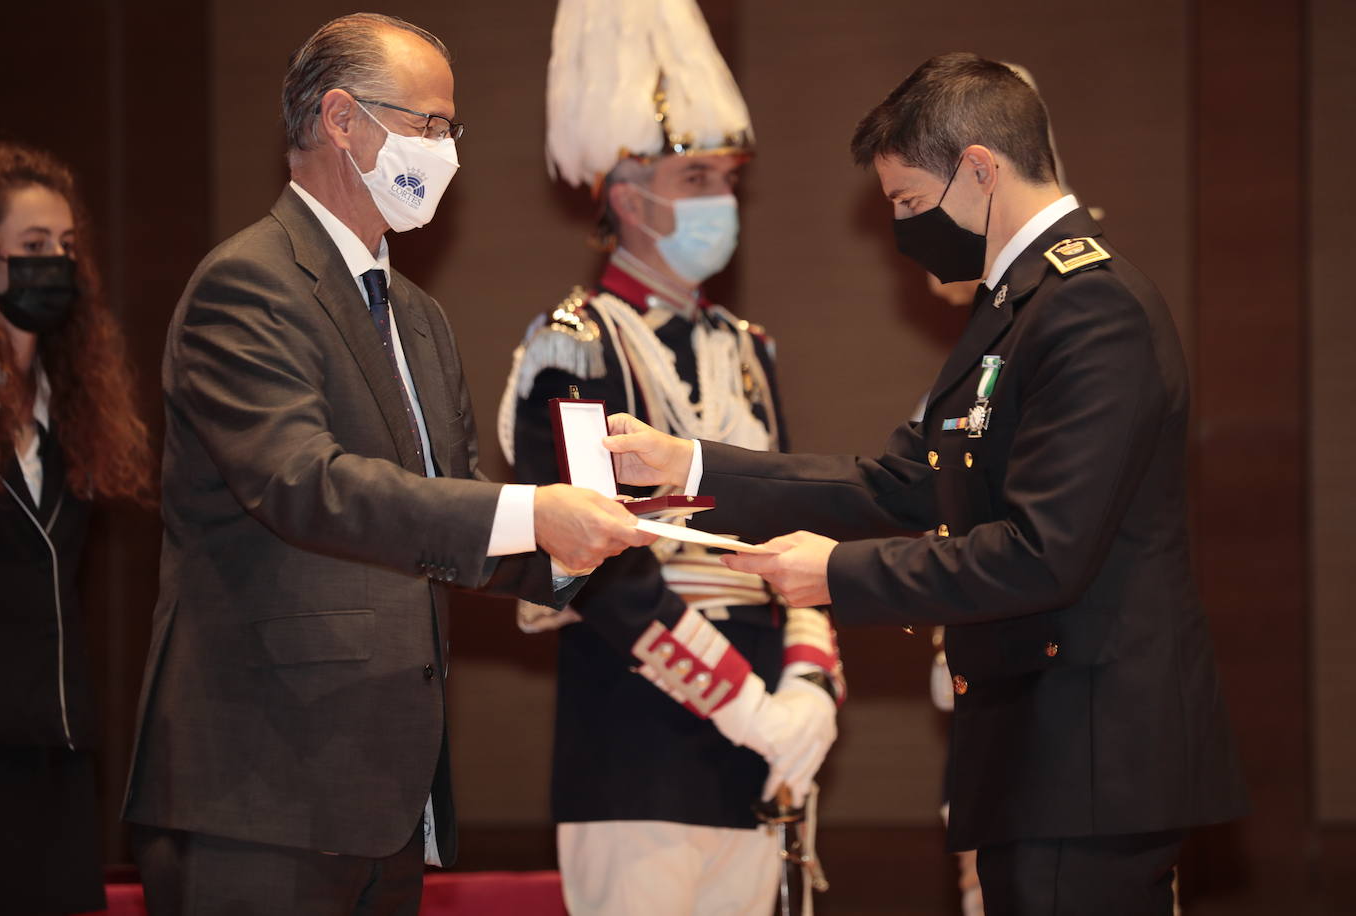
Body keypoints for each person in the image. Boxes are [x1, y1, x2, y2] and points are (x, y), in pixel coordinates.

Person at [604, 52, 1247, 915]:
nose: (904, 230)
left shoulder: (1089, 309)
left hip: (1092, 757)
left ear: (979, 169)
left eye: (908, 201)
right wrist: (688, 464)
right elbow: (901, 481)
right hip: (1045, 753)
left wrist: (837, 576)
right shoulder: (1018, 306)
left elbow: (1041, 555)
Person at [121, 13, 653, 915]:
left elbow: (444, 504)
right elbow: (303, 482)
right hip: (261, 782)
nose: (448, 151)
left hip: (386, 790)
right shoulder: (247, 282)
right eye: (429, 125)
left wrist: (587, 538)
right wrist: (535, 514)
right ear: (341, 118)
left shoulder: (418, 314)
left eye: (452, 129)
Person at [496, 2, 845, 913]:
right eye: (696, 176)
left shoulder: (749, 347)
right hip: (636, 752)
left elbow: (792, 518)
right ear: (625, 192)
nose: (720, 199)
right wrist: (747, 706)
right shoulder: (577, 347)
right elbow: (595, 563)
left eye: (727, 177)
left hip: (762, 754)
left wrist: (807, 689)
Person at [0, 138, 154, 914]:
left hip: (59, 743)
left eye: (66, 246)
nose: (56, 262)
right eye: (32, 246)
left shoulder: (73, 412)